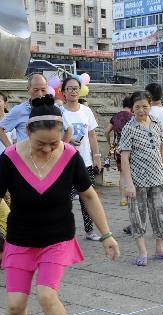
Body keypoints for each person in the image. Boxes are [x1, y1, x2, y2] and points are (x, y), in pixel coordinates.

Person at [0, 96, 119, 315]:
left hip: (57, 237)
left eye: (53, 143)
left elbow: (89, 195)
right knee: (15, 305)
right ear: (27, 133)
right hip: (21, 238)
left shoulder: (69, 155)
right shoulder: (9, 159)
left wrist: (107, 235)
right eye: (40, 143)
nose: (47, 149)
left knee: (46, 294)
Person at [119, 90, 163, 266]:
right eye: (137, 107)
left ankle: (159, 248)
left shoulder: (157, 122)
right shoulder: (129, 128)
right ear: (132, 109)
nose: (142, 110)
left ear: (150, 106)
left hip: (158, 177)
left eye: (145, 106)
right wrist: (128, 184)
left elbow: (162, 149)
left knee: (161, 213)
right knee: (138, 215)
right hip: (137, 181)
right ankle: (142, 251)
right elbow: (124, 158)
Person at [61, 76, 104, 240]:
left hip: (84, 162)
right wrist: (66, 139)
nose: (73, 91)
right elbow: (54, 134)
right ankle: (64, 231)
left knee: (88, 197)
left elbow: (92, 135)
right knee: (65, 199)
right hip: (65, 163)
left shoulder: (86, 111)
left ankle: (89, 230)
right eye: (69, 88)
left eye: (76, 88)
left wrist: (97, 156)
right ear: (63, 92)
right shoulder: (60, 112)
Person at [0, 73, 72, 146]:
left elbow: (69, 129)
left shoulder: (55, 109)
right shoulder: (19, 110)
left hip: (49, 158)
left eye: (43, 90)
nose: (40, 94)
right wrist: (11, 150)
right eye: (36, 90)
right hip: (25, 158)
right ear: (28, 89)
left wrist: (61, 152)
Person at [104, 96, 133, 204]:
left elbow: (106, 131)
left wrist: (110, 143)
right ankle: (132, 196)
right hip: (132, 148)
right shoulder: (133, 117)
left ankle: (122, 199)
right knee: (132, 172)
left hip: (119, 148)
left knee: (122, 173)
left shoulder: (115, 117)